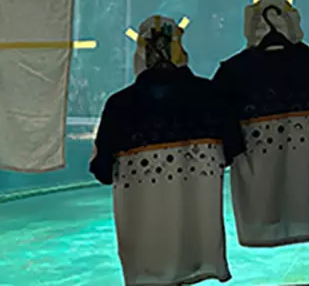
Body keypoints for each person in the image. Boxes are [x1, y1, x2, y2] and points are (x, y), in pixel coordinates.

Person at [90, 16, 245, 286]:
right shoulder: (212, 96)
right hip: (199, 241)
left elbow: (102, 170)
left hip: (145, 252)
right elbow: (233, 149)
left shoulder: (120, 105)